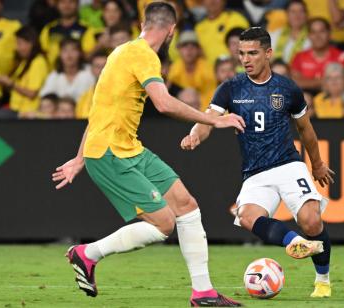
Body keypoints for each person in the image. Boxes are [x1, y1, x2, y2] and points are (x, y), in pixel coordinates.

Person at [51, 3, 244, 306]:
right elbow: (164, 103)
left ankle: (203, 293)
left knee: (187, 205)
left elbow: (98, 112)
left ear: (143, 23)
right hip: (110, 153)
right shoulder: (143, 56)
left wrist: (78, 158)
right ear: (171, 31)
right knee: (163, 224)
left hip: (128, 147)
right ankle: (87, 254)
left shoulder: (120, 51)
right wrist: (214, 119)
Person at [180, 27, 335, 299]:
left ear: (268, 53)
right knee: (247, 216)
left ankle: (322, 279)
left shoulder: (287, 88)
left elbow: (305, 129)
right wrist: (195, 135)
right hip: (255, 173)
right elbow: (208, 120)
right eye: (241, 53)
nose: (246, 59)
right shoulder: (230, 89)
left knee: (311, 221)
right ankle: (295, 243)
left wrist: (318, 164)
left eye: (252, 53)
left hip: (288, 164)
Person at [0, 26, 49, 114]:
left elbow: (32, 94)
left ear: (30, 43)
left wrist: (10, 83)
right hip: (15, 109)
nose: (16, 48)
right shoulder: (23, 62)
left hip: (27, 112)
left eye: (19, 43)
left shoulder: (38, 62)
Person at [167, 30, 217, 111]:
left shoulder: (207, 68)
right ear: (179, 49)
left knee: (190, 94)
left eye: (193, 46)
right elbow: (167, 91)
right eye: (185, 45)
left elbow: (211, 96)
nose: (189, 50)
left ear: (198, 50)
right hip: (182, 115)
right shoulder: (176, 67)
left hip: (206, 112)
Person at [291, 17, 342, 94]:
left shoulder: (340, 56)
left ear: (329, 34)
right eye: (313, 32)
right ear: (308, 35)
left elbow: (341, 84)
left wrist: (308, 82)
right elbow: (295, 83)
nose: (317, 36)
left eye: (322, 31)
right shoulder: (299, 57)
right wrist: (322, 81)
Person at [40, 0, 97, 66]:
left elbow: (87, 56)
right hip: (51, 73)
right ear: (57, 5)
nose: (67, 5)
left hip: (78, 73)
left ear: (77, 4)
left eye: (71, 2)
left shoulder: (86, 29)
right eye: (63, 2)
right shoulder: (49, 29)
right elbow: (42, 54)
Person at [269, 0, 311, 64]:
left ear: (306, 15)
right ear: (287, 14)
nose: (297, 15)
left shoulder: (312, 36)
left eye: (301, 11)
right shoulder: (276, 34)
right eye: (293, 12)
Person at [76, 50, 108, 119]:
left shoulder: (122, 94)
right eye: (97, 66)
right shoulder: (84, 97)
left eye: (105, 66)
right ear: (92, 70)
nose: (101, 70)